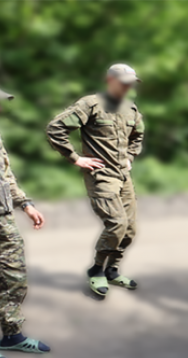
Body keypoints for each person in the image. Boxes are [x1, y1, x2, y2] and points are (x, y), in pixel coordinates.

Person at [46, 64, 144, 297]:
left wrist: (130, 156)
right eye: (123, 81)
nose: (127, 86)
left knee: (129, 230)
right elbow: (55, 128)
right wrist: (75, 158)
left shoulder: (131, 108)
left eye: (131, 82)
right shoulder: (90, 104)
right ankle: (96, 270)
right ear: (109, 80)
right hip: (101, 176)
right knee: (117, 224)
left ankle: (112, 269)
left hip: (123, 175)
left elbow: (137, 135)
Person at [0, 84, 50, 358]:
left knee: (12, 274)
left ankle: (12, 335)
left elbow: (6, 175)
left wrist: (25, 204)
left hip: (1, 216)